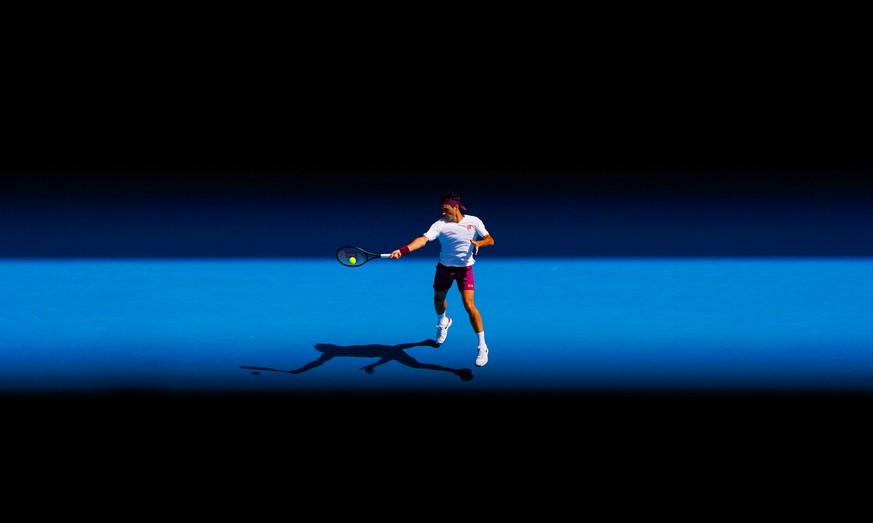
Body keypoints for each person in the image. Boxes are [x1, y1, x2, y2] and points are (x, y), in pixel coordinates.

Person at [389, 192, 494, 367]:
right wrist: (403, 250)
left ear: (456, 207)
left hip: (465, 270)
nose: (443, 213)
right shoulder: (440, 225)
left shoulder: (474, 222)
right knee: (438, 299)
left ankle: (482, 346)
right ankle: (442, 322)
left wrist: (480, 243)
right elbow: (423, 240)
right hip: (444, 268)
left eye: (446, 210)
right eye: (441, 210)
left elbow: (490, 239)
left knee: (469, 305)